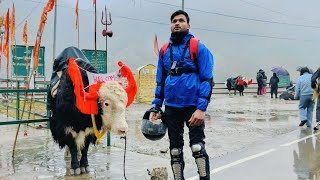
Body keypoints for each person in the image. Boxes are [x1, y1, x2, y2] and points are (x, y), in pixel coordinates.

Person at [149, 10, 213, 180]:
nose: (177, 23)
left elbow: (207, 79)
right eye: (174, 21)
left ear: (188, 25)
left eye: (181, 20)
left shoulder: (197, 47)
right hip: (171, 108)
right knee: (175, 151)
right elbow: (160, 82)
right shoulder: (164, 50)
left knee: (197, 147)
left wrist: (201, 109)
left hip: (193, 107)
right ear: (171, 25)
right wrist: (156, 106)